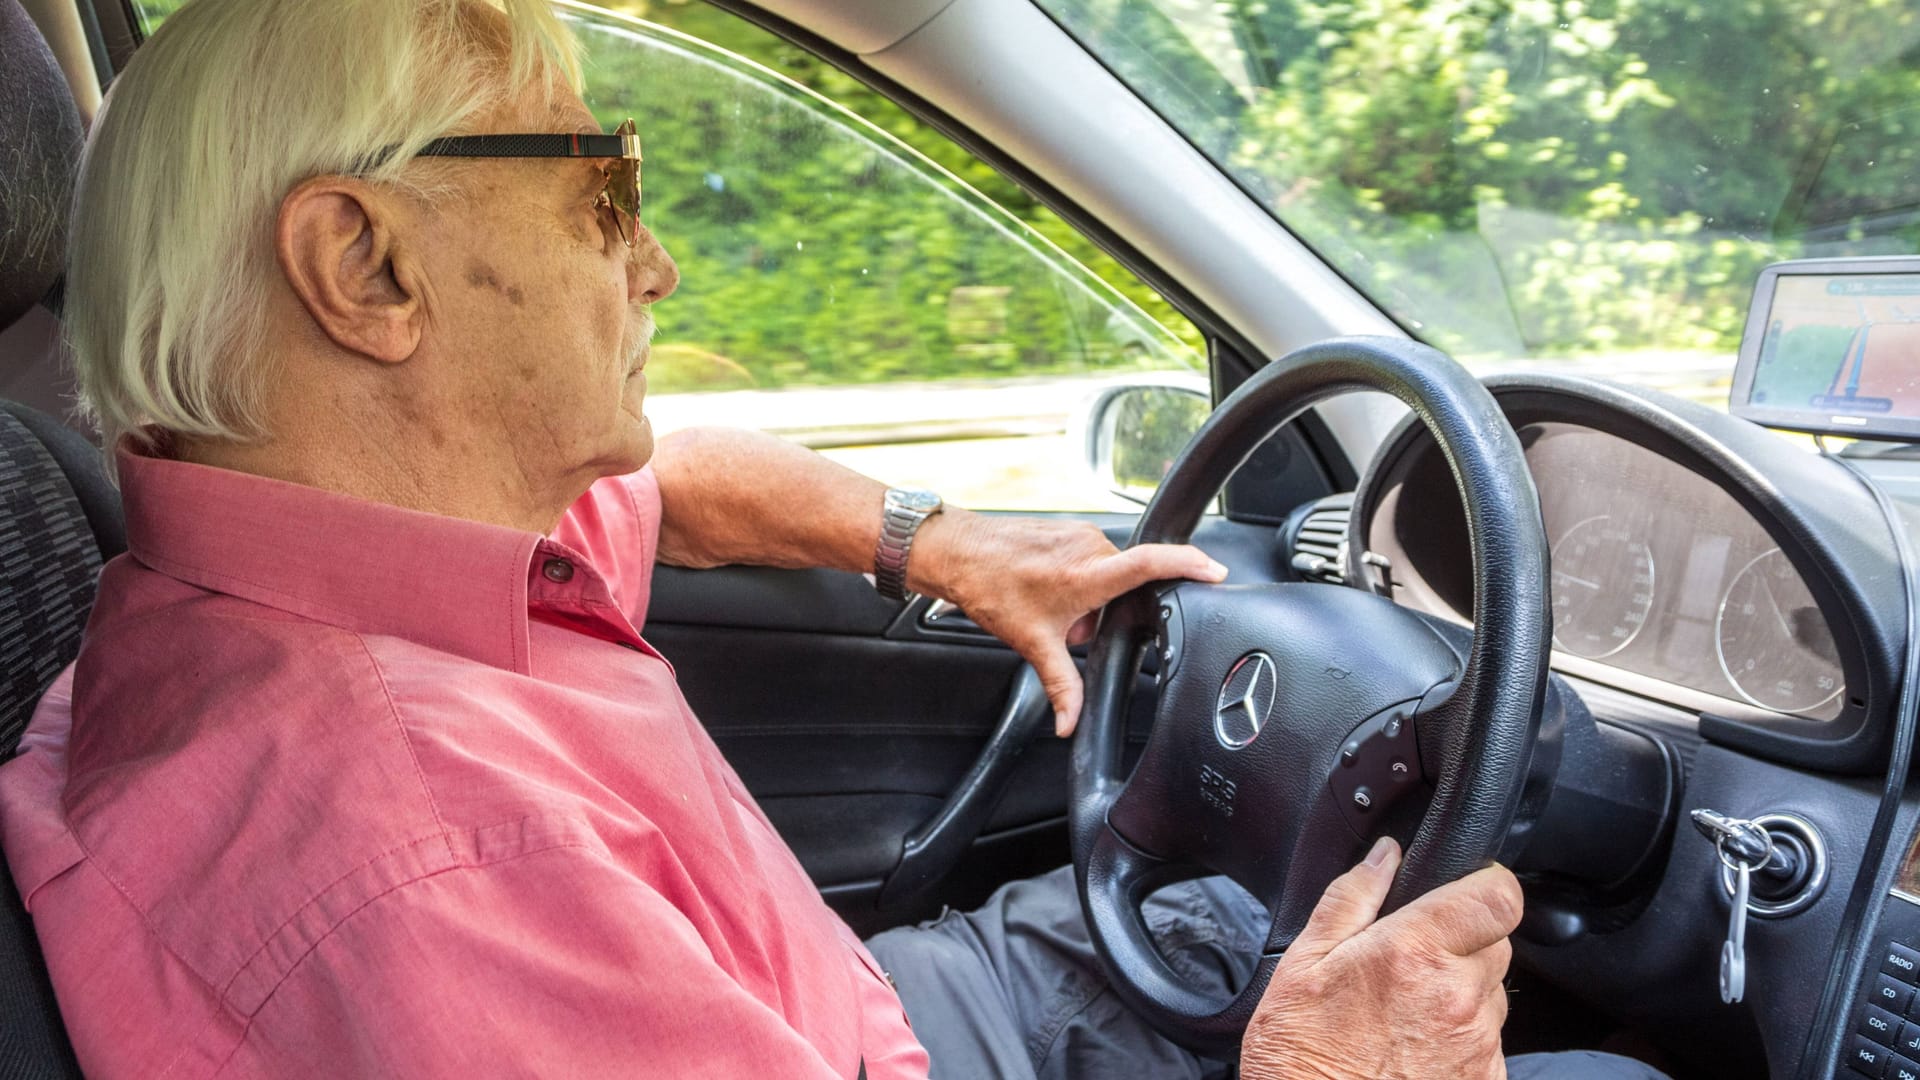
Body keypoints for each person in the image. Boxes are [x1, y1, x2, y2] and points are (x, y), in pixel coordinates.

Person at [0, 1, 1665, 1076]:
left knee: (1227, 930)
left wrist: (943, 545)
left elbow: (681, 479)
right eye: (603, 190)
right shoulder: (426, 879)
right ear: (365, 270)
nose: (652, 267)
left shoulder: (338, 549)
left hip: (819, 1021)